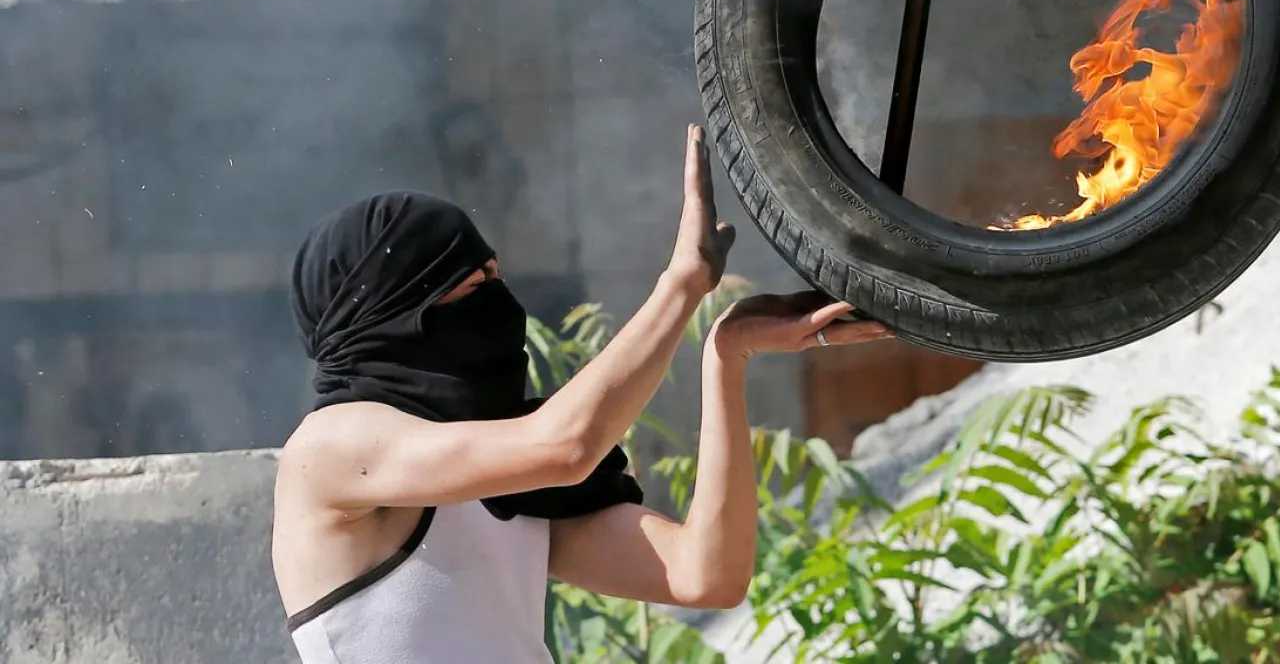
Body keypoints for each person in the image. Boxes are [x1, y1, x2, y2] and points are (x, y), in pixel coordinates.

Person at [272, 124, 891, 664]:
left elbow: (706, 574)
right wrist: (681, 286)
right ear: (395, 312)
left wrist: (727, 354)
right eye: (469, 285)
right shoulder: (329, 447)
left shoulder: (508, 482)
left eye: (495, 275)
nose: (497, 299)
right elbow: (567, 446)